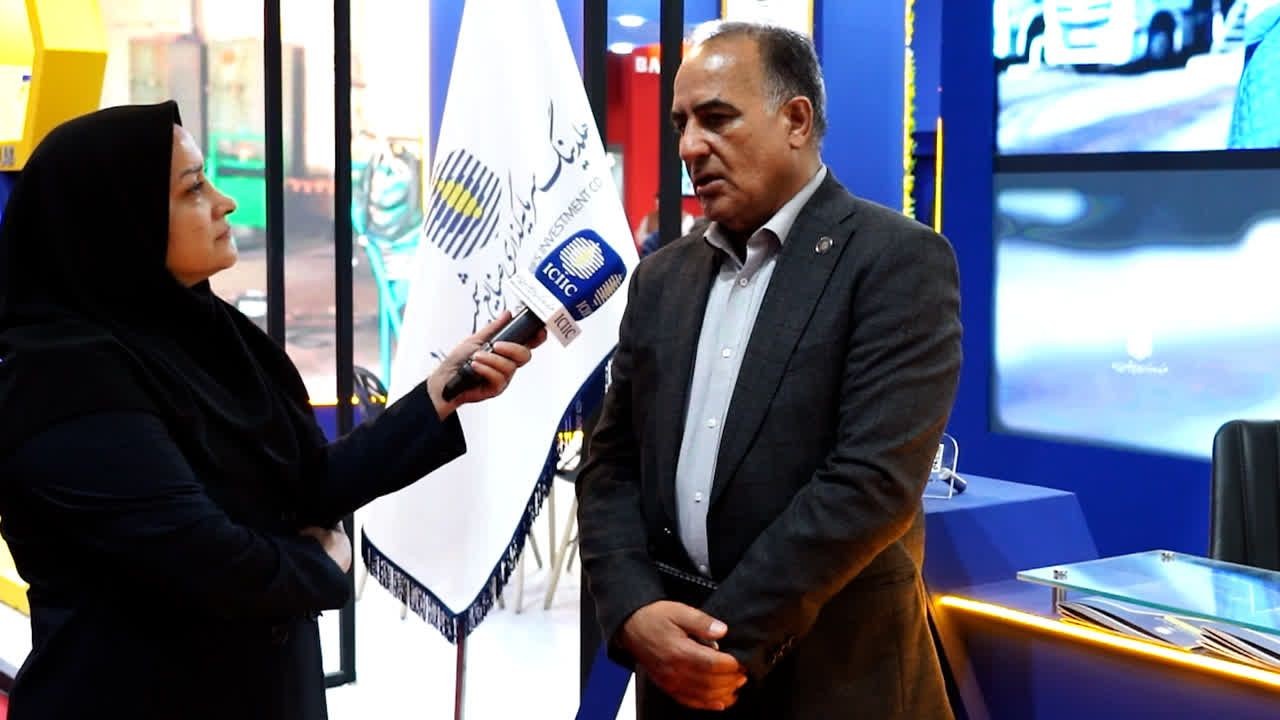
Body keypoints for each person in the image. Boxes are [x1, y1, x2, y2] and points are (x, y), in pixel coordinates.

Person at [0, 101, 542, 719]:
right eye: (192, 189)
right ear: (117, 221)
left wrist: (439, 396)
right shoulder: (61, 377)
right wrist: (322, 564)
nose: (224, 202)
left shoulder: (207, 335)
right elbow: (203, 559)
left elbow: (303, 483)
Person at [577, 22, 962, 719]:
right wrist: (635, 614)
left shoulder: (896, 261)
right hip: (676, 679)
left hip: (834, 682)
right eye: (682, 124)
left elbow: (871, 482)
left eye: (717, 118)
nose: (690, 146)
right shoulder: (659, 280)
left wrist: (718, 642)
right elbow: (610, 468)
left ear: (796, 121)